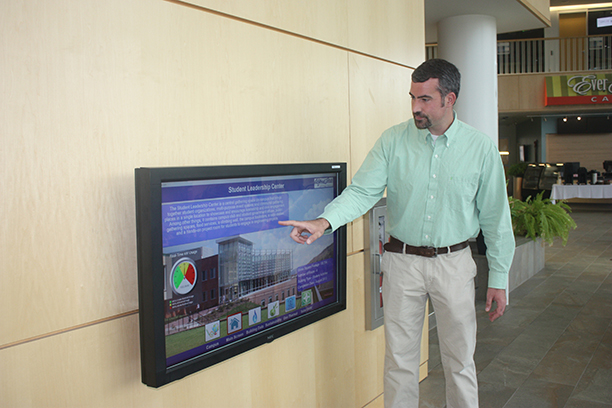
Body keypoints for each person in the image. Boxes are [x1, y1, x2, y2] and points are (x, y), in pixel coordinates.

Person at [279, 58, 514, 408]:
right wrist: (323, 222)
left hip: (455, 264)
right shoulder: (393, 140)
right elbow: (362, 192)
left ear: (450, 99)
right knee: (400, 362)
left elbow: (496, 218)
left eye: (425, 100)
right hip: (402, 263)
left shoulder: (480, 149)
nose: (416, 108)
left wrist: (499, 277)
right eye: (412, 98)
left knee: (460, 361)